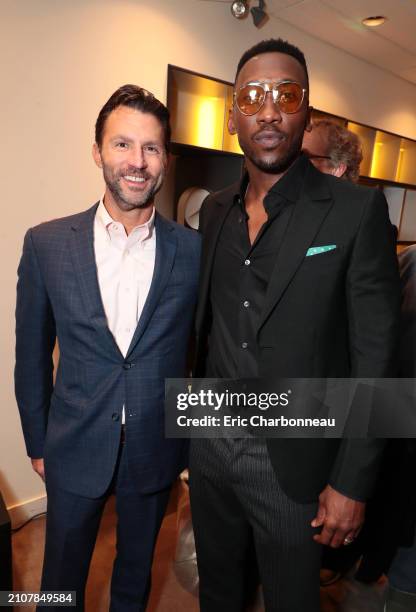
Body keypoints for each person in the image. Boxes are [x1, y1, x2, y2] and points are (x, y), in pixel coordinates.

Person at [189, 38, 400, 612]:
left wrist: (353, 482)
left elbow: (378, 360)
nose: (268, 109)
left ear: (306, 112)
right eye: (251, 96)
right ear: (233, 115)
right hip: (209, 443)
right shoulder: (212, 210)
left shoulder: (355, 212)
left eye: (286, 95)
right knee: (219, 593)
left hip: (294, 457)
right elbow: (205, 329)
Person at [15, 84, 200, 611]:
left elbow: (201, 352)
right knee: (60, 580)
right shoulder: (46, 243)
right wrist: (38, 440)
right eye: (122, 145)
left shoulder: (194, 253)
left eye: (151, 147)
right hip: (72, 445)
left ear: (165, 158)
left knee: (135, 575)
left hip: (155, 447)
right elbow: (31, 351)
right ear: (97, 151)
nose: (136, 162)